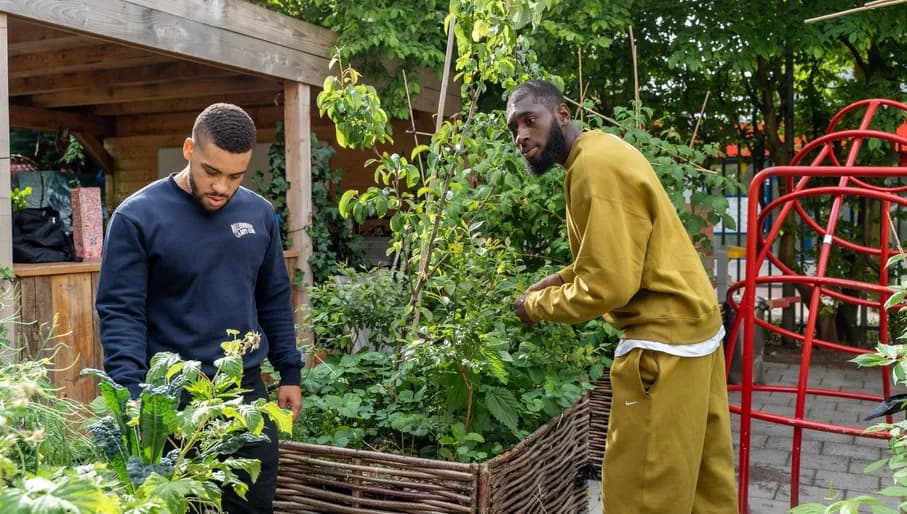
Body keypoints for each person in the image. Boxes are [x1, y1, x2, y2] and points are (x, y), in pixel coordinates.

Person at [506, 80, 738, 513]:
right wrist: (559, 277)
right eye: (514, 128)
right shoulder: (602, 151)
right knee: (706, 486)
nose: (522, 136)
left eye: (530, 120)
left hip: (660, 348)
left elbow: (608, 286)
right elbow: (621, 248)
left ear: (562, 114)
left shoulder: (592, 169)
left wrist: (533, 306)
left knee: (642, 493)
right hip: (696, 333)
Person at [96, 103, 303, 514]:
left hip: (244, 393)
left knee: (250, 505)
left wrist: (289, 370)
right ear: (189, 149)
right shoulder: (137, 217)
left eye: (235, 175)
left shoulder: (259, 214)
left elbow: (274, 297)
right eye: (212, 171)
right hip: (168, 397)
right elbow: (121, 312)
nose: (222, 187)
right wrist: (133, 396)